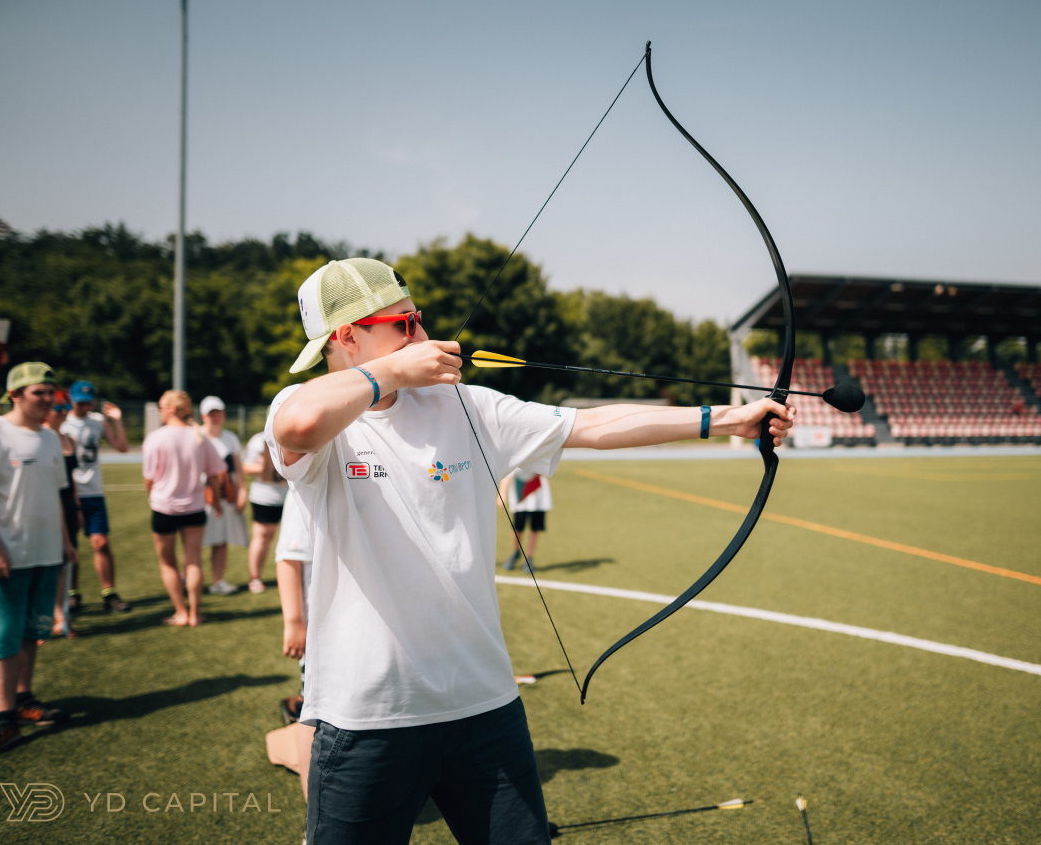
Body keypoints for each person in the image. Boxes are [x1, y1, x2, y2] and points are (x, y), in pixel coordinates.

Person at [267, 258, 794, 844]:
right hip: (366, 716)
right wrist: (393, 369)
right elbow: (298, 425)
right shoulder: (303, 408)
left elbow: (591, 426)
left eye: (419, 318)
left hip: (484, 707)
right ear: (347, 336)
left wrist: (728, 419)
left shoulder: (463, 405)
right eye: (404, 323)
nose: (422, 333)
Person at [0, 362, 77, 762]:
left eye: (52, 392)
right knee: (3, 635)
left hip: (46, 553)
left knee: (33, 631)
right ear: (15, 394)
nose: (48, 399)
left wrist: (65, 542)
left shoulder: (51, 438)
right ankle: (4, 721)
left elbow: (56, 496)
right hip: (6, 557)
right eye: (39, 392)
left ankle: (23, 700)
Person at [142, 391, 225, 627]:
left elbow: (149, 477)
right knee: (193, 562)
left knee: (168, 563)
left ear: (171, 409)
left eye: (160, 407)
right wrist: (217, 502)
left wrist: (152, 496)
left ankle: (181, 613)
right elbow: (215, 474)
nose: (159, 411)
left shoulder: (156, 438)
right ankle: (195, 614)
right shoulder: (199, 437)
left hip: (164, 508)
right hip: (194, 508)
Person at [61, 380, 130, 613]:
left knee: (101, 543)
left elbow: (122, 447)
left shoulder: (98, 421)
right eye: (80, 402)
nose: (84, 407)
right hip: (69, 492)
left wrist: (117, 420)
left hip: (94, 491)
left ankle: (109, 593)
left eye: (88, 402)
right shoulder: (62, 423)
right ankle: (72, 593)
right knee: (71, 544)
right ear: (71, 400)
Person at [268, 489, 315, 800]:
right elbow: (289, 556)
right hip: (325, 637)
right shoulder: (307, 484)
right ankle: (317, 810)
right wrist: (295, 622)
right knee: (317, 721)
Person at [198, 396, 249, 595]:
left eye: (219, 413)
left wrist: (242, 490)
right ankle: (188, 578)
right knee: (195, 540)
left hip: (225, 495)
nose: (216, 417)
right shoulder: (197, 436)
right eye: (212, 414)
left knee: (221, 539)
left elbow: (237, 468)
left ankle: (217, 581)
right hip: (201, 495)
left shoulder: (230, 438)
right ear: (203, 416)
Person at [45, 389, 81, 638]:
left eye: (66, 407)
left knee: (65, 564)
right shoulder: (41, 438)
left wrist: (78, 508)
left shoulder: (70, 441)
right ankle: (41, 621)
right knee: (45, 565)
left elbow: (72, 480)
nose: (63, 412)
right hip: (46, 505)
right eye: (57, 408)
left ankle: (61, 618)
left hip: (67, 506)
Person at [242, 427, 288, 593]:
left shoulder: (294, 435)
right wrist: (268, 466)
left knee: (295, 539)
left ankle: (299, 577)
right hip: (265, 497)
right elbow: (247, 467)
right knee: (262, 537)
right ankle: (255, 578)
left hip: (293, 497)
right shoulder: (258, 439)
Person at [498, 468, 551, 572]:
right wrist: (502, 493)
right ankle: (516, 551)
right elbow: (508, 473)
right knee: (517, 528)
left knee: (534, 528)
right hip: (520, 496)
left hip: (538, 496)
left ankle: (529, 557)